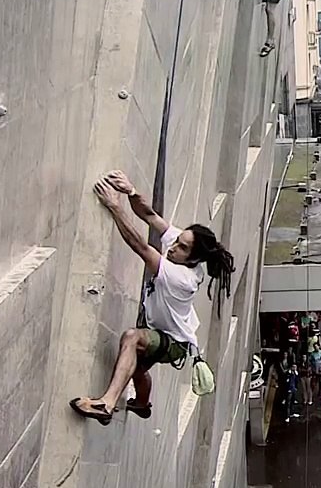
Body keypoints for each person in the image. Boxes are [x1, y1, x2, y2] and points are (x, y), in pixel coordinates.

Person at [70, 171, 234, 425]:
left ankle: (107, 404)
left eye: (182, 247)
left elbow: (140, 246)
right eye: (178, 241)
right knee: (134, 366)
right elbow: (150, 216)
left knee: (132, 338)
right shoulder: (185, 253)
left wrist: (115, 207)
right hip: (168, 329)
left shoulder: (182, 276)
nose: (173, 247)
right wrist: (132, 191)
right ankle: (142, 404)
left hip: (173, 341)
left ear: (193, 259)